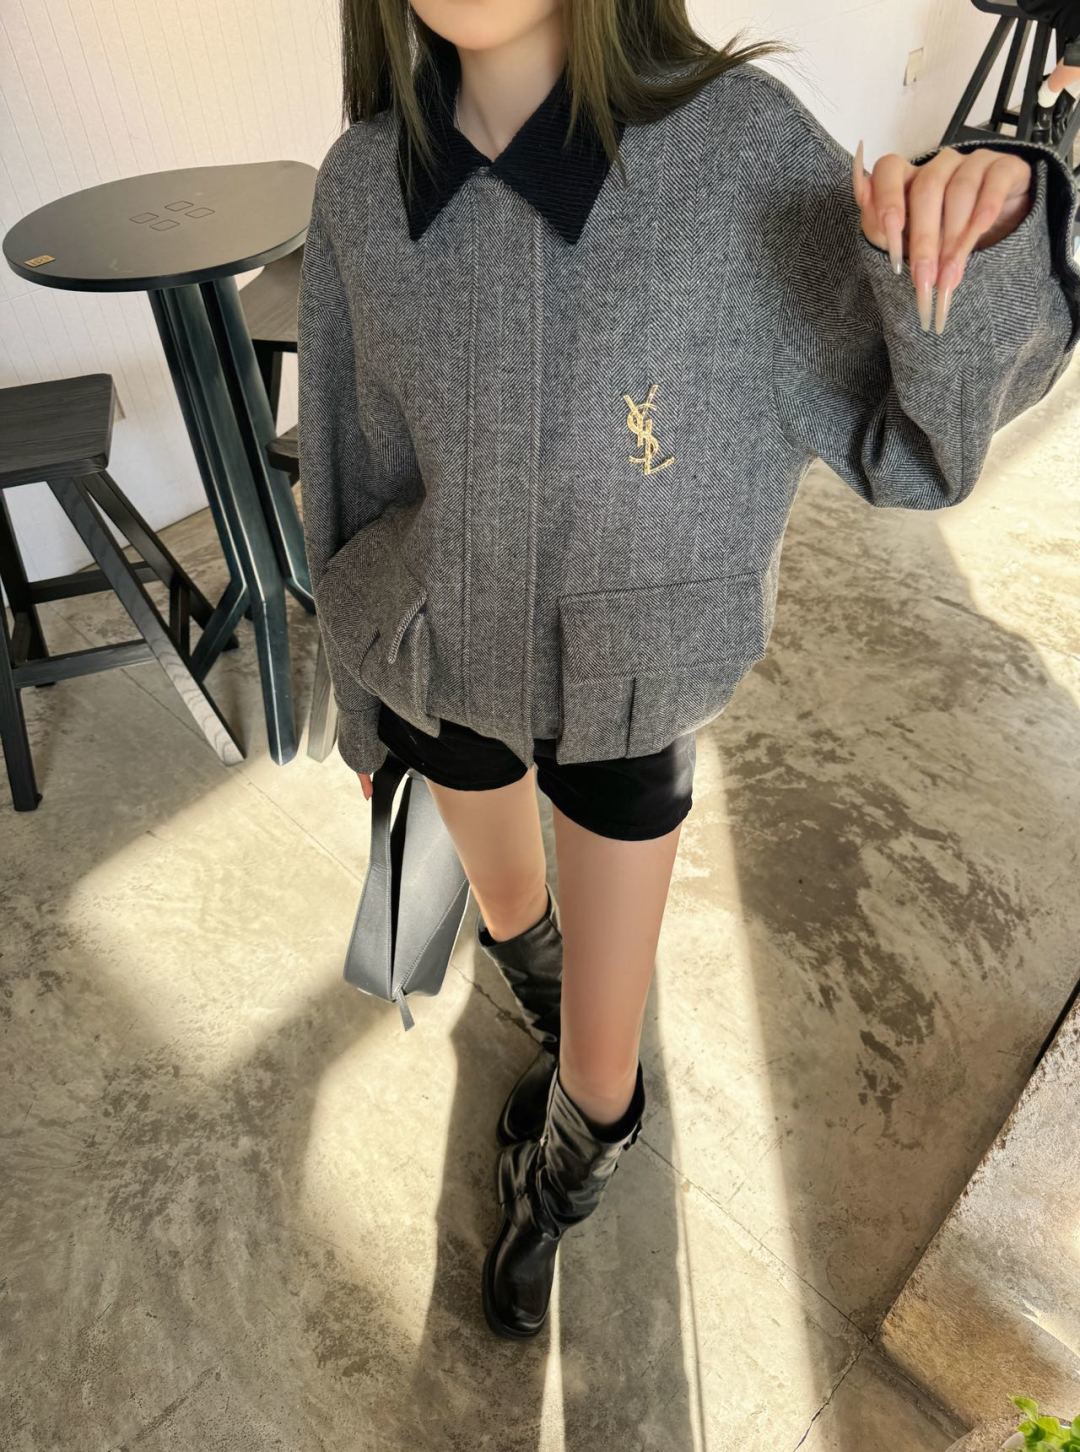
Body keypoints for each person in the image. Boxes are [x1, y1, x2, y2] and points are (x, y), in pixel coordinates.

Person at [296, 1, 1080, 1341]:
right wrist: (363, 701)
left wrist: (989, 235)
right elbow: (351, 466)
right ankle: (537, 981)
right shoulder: (364, 184)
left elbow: (910, 447)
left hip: (634, 679)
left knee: (603, 1061)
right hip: (436, 651)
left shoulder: (736, 148)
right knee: (512, 915)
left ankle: (576, 1153)